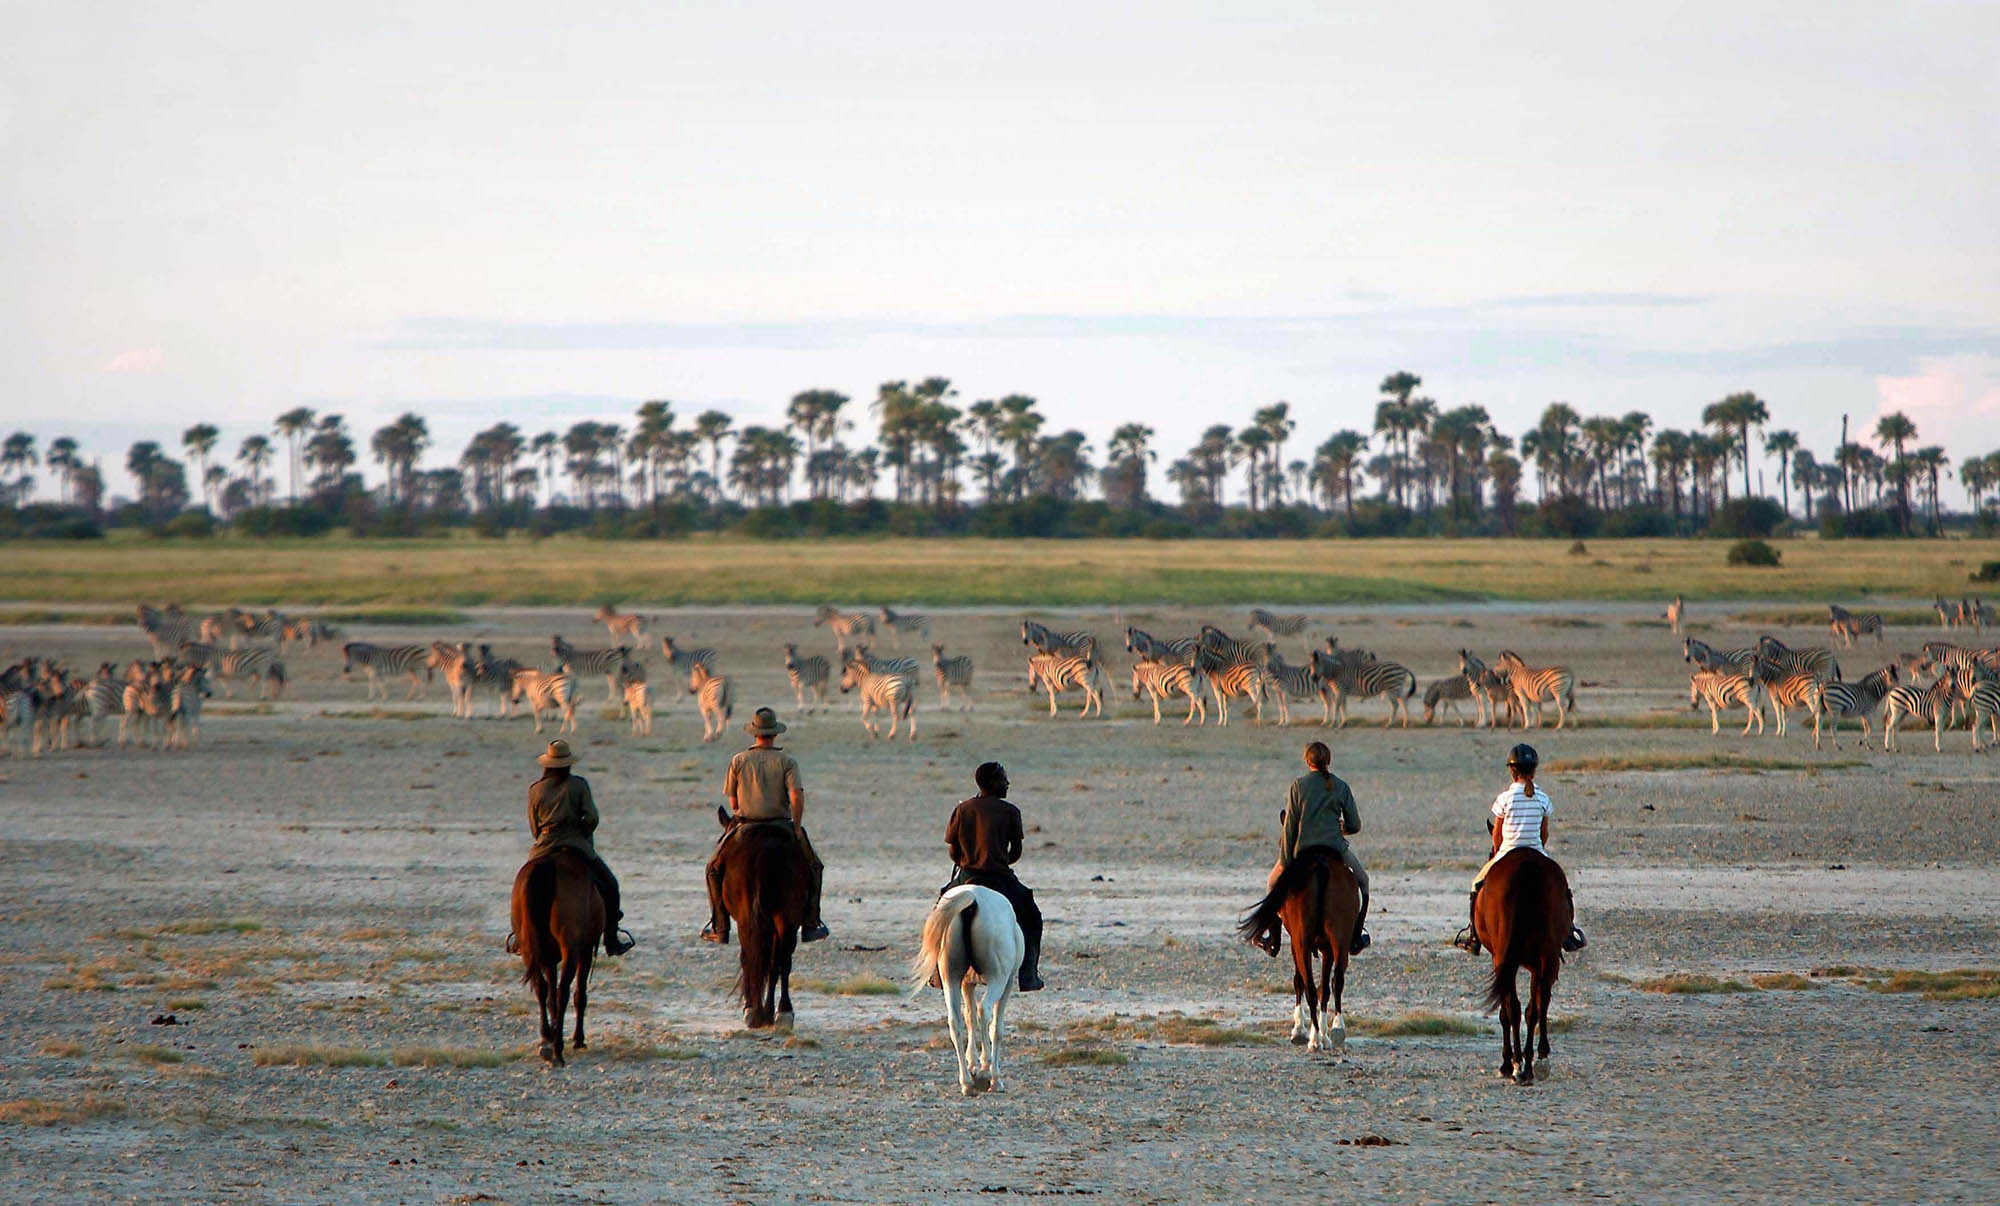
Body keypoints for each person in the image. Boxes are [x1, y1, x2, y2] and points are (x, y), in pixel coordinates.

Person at [702, 707, 828, 944]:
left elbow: (733, 802)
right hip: (781, 824)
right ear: (774, 734)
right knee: (814, 866)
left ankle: (719, 926)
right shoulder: (787, 761)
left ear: (754, 733)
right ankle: (811, 923)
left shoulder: (738, 760)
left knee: (712, 869)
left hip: (744, 825)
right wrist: (798, 826)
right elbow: (796, 798)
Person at [1454, 743, 1586, 954]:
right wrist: (1538, 847)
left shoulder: (1504, 798)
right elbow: (1544, 834)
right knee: (1562, 886)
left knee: (1475, 885)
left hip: (1507, 851)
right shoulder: (1543, 798)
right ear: (1534, 770)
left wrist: (1497, 852)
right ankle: (1569, 933)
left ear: (1512, 771)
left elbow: (1497, 834)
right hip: (1536, 851)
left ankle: (1474, 936)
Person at [936, 762, 1045, 991]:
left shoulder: (962, 809)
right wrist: (999, 859)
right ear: (994, 783)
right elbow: (1015, 852)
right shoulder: (1010, 811)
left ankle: (936, 972)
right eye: (1004, 779)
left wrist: (968, 859)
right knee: (1031, 915)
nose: (1008, 783)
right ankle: (1028, 974)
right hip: (999, 878)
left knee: (939, 910)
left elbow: (953, 852)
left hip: (967, 874)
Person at [520, 740, 633, 956]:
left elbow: (534, 828)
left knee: (525, 888)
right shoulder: (579, 785)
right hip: (576, 843)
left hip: (544, 846)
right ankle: (611, 939)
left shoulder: (535, 790)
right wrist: (583, 831)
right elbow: (591, 817)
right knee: (610, 886)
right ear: (567, 764)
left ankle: (519, 937)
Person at [1269, 741, 1370, 953]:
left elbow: (1290, 828)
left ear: (1308, 761)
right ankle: (1357, 933)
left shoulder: (1298, 786)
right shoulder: (1341, 786)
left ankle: (1273, 937)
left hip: (1302, 849)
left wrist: (1287, 861)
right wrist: (1339, 829)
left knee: (1271, 884)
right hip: (1335, 848)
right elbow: (1355, 825)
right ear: (1328, 761)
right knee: (1363, 882)